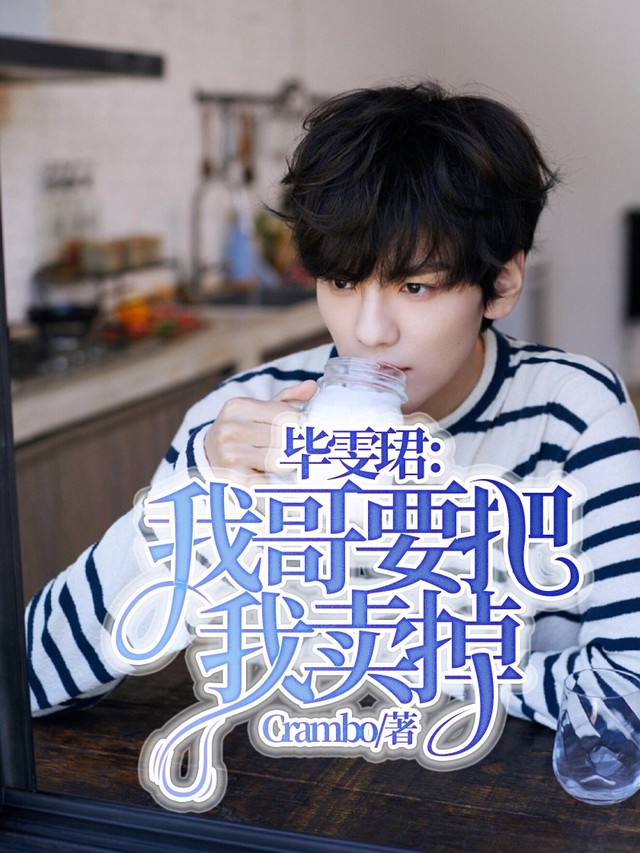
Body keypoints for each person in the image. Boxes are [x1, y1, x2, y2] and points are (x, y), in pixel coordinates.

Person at [27, 82, 640, 731]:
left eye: (414, 286)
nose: (369, 331)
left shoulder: (572, 413)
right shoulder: (242, 417)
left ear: (502, 284)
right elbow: (29, 679)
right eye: (343, 281)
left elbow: (626, 690)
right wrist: (194, 496)